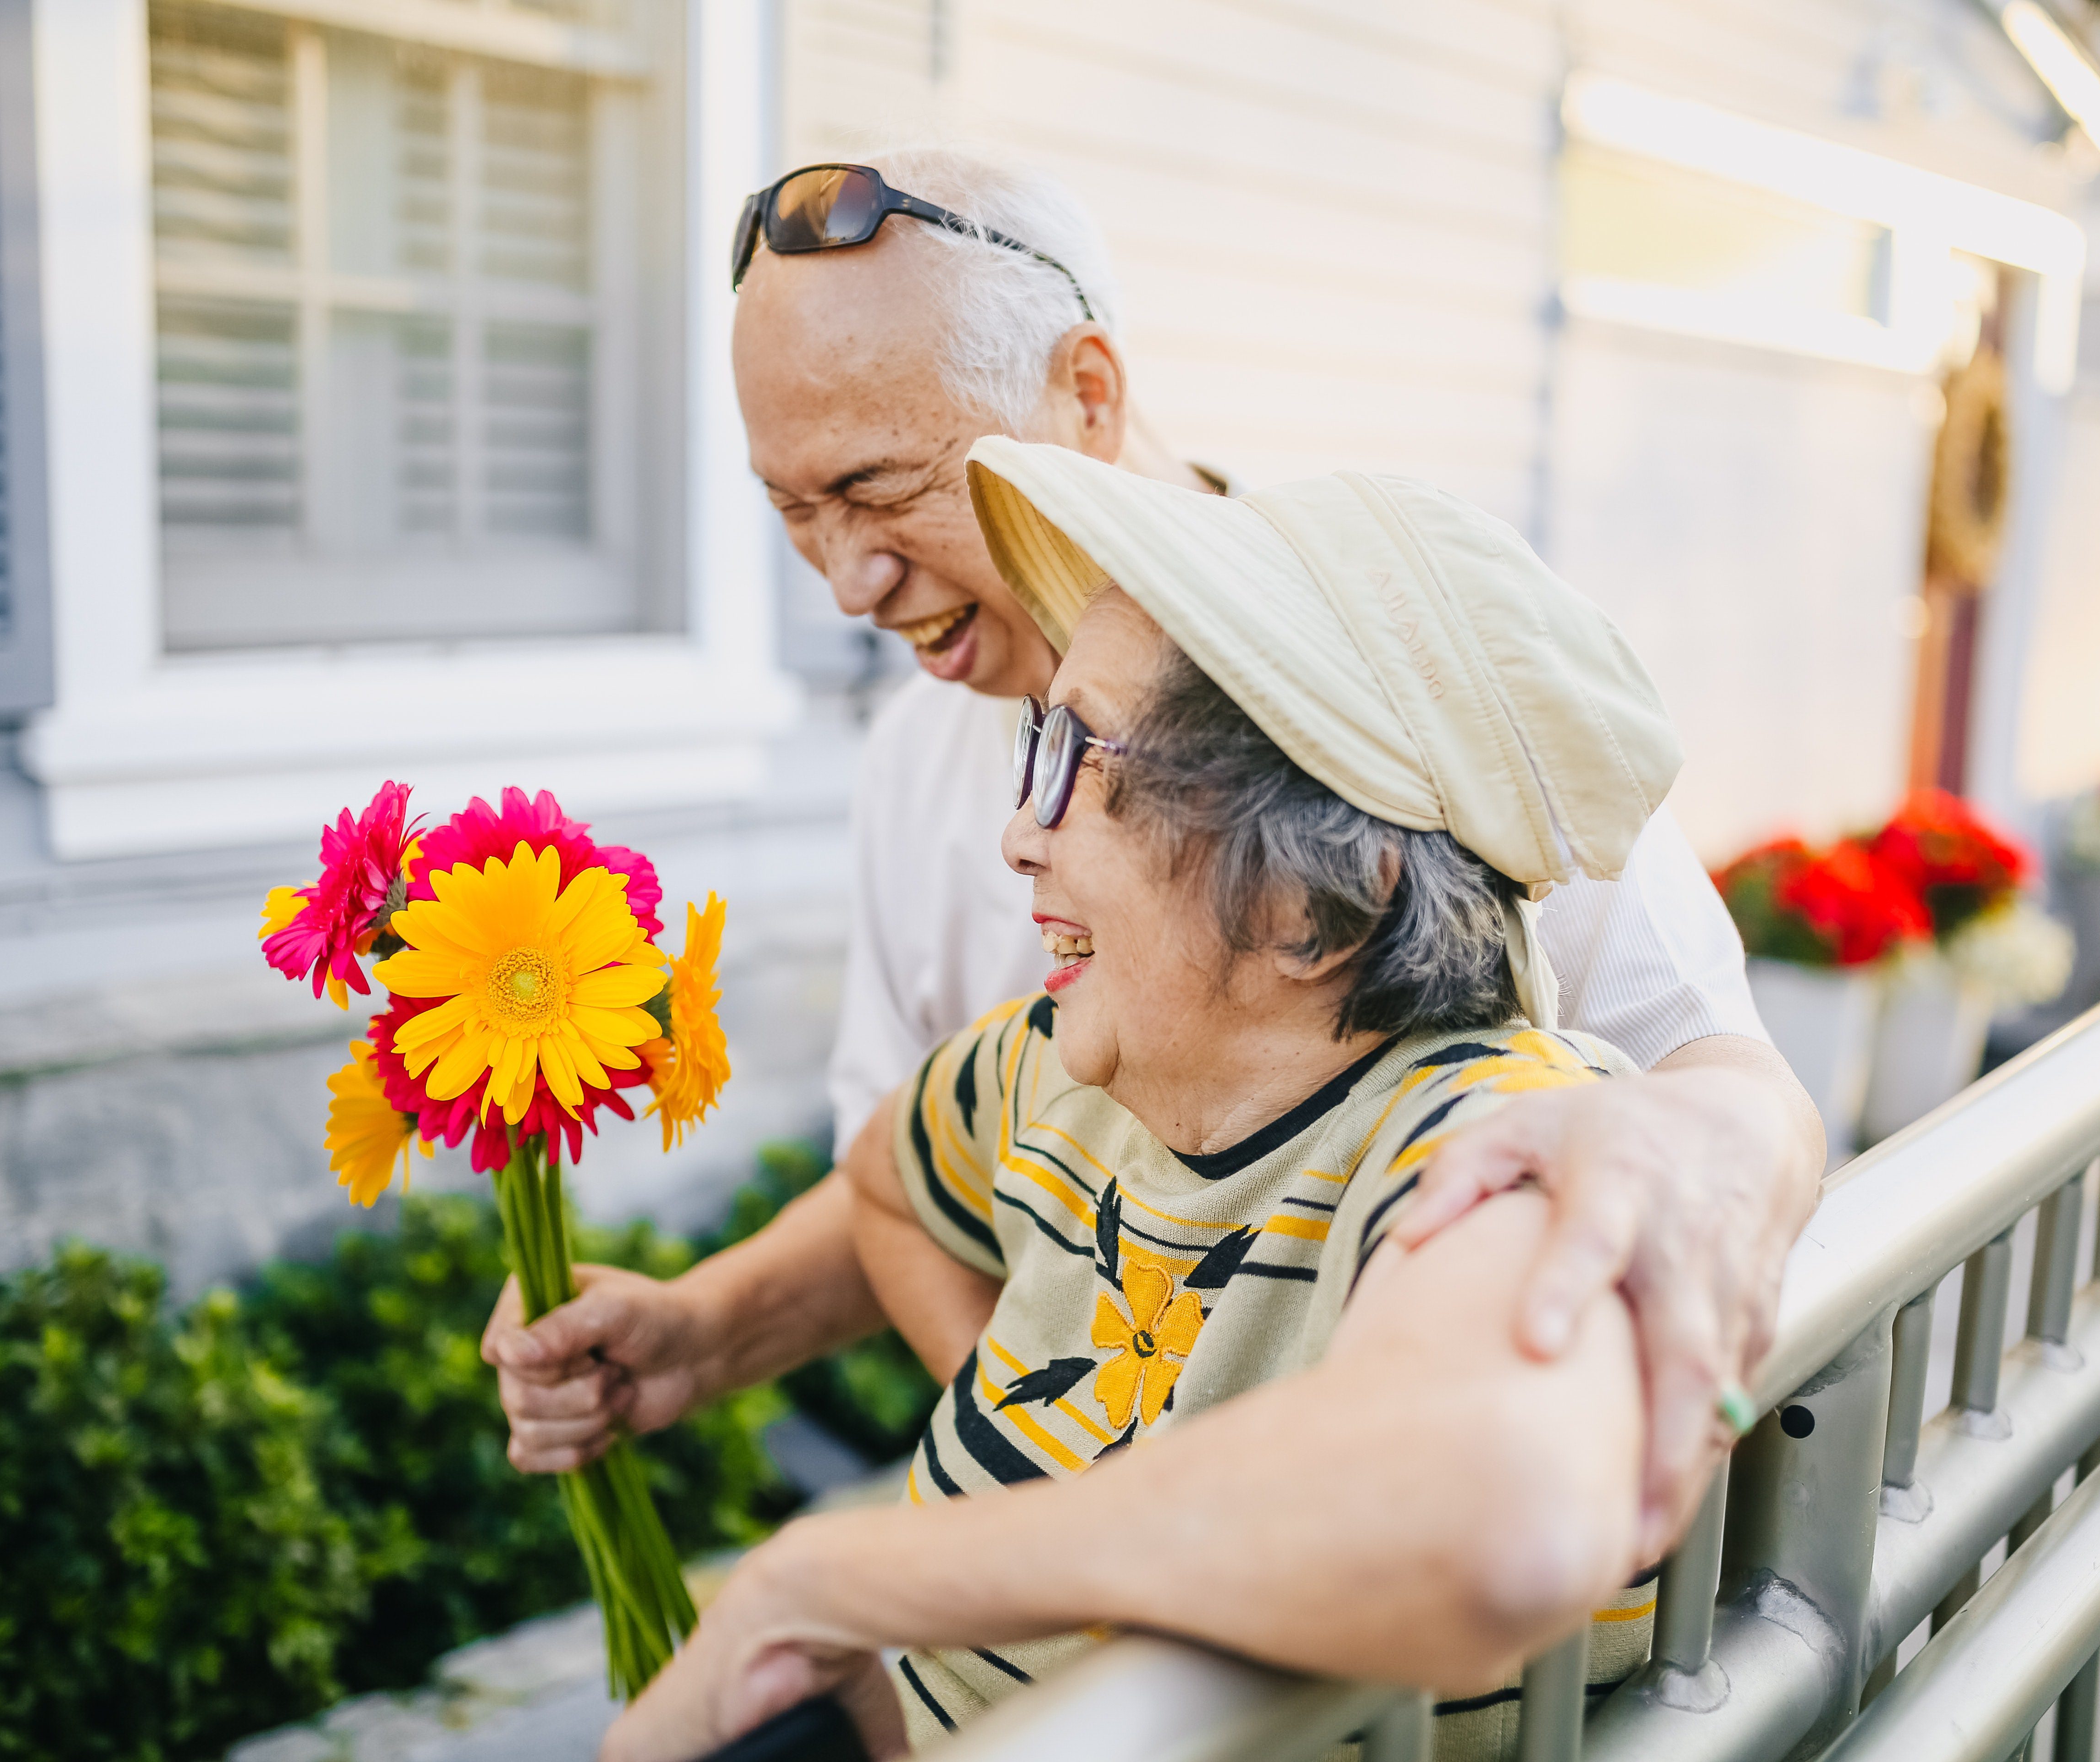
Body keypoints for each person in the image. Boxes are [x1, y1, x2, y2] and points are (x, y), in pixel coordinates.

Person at [486, 146, 1821, 1578]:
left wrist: (1709, 1156)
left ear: (1091, 395)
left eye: (880, 489)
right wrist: (715, 1335)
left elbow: (1717, 1078)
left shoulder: (1389, 676)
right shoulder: (912, 761)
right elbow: (922, 1164)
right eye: (795, 512)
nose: (848, 581)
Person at [600, 436, 1707, 1761]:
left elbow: (1497, 1522)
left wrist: (825, 1580)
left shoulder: (1483, 1139)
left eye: (1080, 756)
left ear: (1315, 904)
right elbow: (889, 1189)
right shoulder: (1056, 1073)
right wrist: (1039, 1456)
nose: (1021, 828)